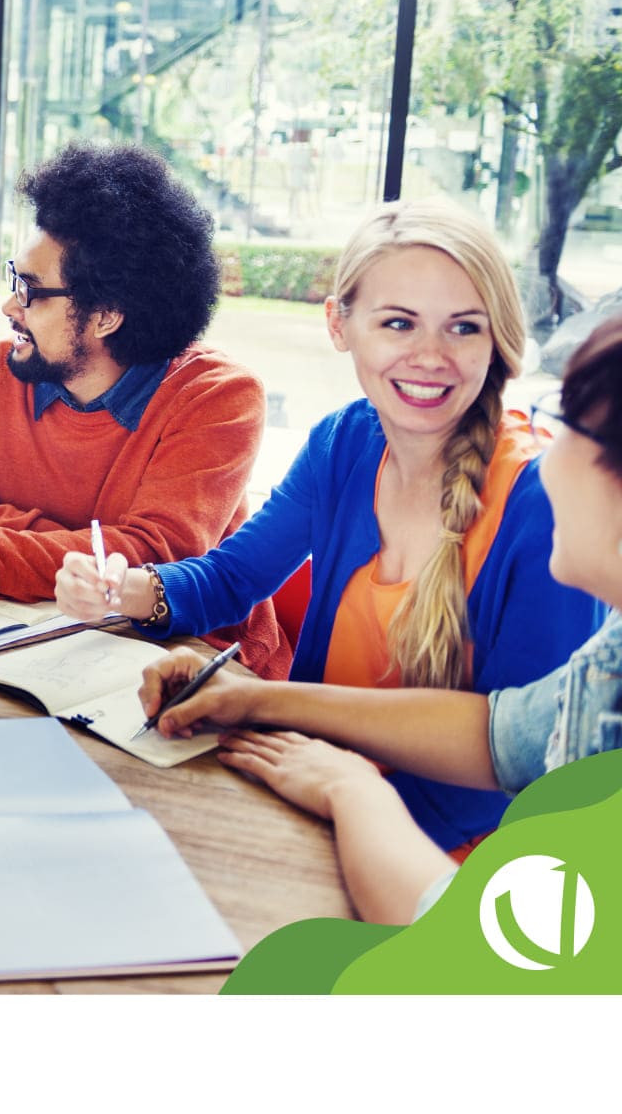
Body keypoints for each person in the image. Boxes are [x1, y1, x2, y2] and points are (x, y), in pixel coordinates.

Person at [57, 200, 606, 852]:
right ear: (339, 324)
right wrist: (130, 590)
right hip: (314, 799)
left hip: (439, 862)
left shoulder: (546, 509)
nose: (430, 356)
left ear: (498, 340)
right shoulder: (344, 443)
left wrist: (324, 815)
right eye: (399, 323)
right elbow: (234, 577)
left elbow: (516, 767)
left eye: (463, 328)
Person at [132, 316, 622, 923]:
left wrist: (353, 792)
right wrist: (257, 700)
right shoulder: (612, 661)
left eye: (566, 417)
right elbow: (497, 735)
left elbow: (473, 958)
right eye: (397, 323)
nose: (549, 459)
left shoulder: (525, 499)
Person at [0, 141, 283, 673]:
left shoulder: (217, 397)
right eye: (13, 279)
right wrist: (71, 548)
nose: (8, 307)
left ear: (106, 317)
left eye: (30, 290)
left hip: (192, 661)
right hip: (33, 635)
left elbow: (154, 561)